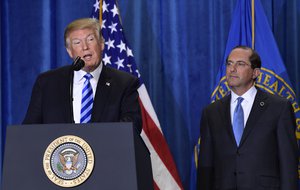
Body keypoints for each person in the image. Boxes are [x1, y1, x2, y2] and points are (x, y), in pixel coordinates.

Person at [197, 46, 298, 189]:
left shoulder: (279, 108)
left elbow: (288, 164)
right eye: (229, 63)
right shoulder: (211, 112)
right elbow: (205, 166)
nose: (232, 69)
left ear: (255, 73)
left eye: (240, 64)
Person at [23, 18, 142, 133]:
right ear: (70, 51)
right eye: (77, 42)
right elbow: (30, 129)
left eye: (90, 39)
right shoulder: (47, 83)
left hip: (106, 151)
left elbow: (132, 126)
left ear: (101, 44)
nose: (85, 47)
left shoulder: (124, 83)